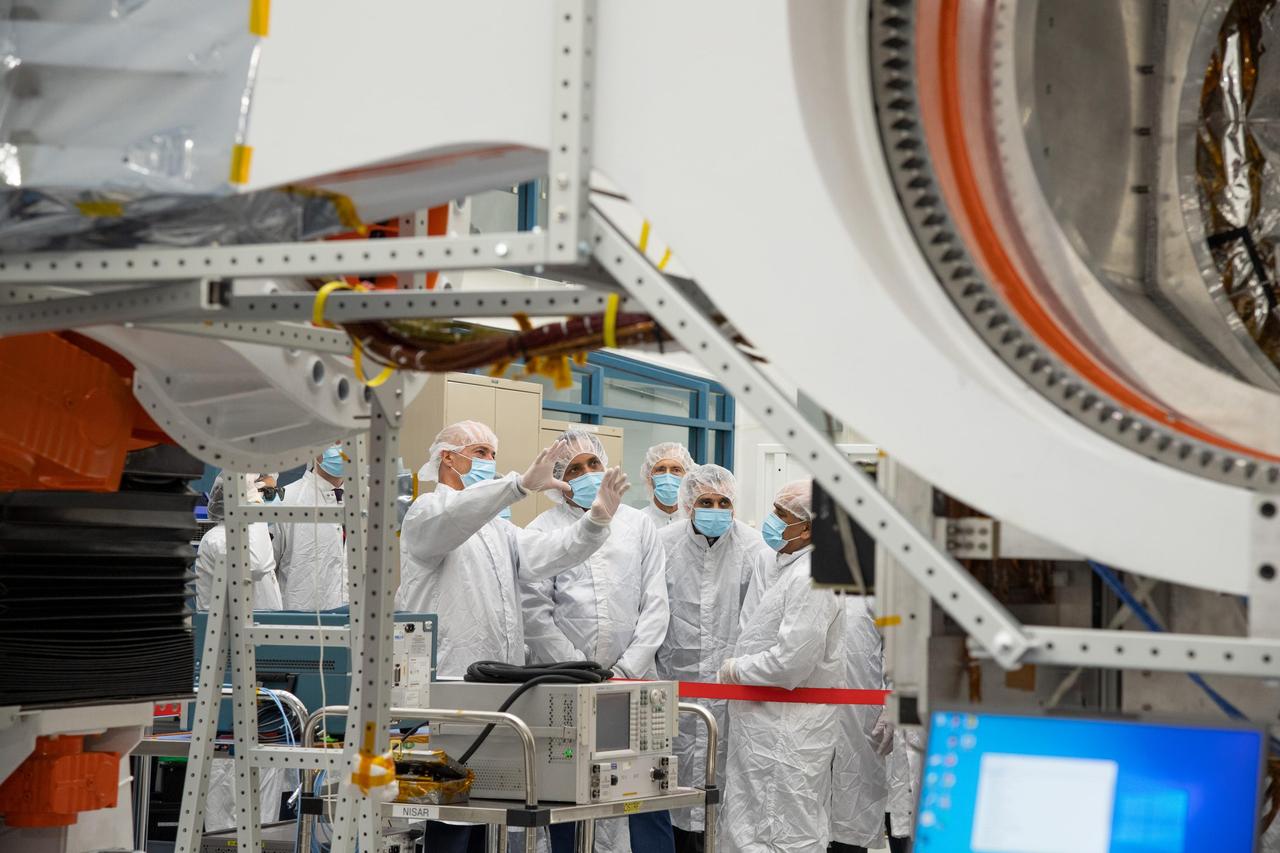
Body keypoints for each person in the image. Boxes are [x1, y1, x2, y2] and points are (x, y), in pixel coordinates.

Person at [396, 420, 630, 853]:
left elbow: (545, 556)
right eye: (481, 452)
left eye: (492, 455)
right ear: (448, 457)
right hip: (445, 693)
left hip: (496, 695)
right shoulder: (426, 513)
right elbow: (453, 519)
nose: (489, 462)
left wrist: (595, 521)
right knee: (451, 816)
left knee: (491, 814)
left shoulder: (499, 530)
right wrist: (517, 487)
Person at [523, 429, 673, 853]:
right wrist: (580, 671)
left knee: (646, 786)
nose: (588, 473)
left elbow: (655, 602)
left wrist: (627, 669)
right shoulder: (541, 530)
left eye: (592, 463)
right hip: (567, 686)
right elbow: (535, 614)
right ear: (557, 480)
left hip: (635, 682)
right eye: (574, 469)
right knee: (570, 792)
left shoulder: (637, 523)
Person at [716, 480, 844, 853]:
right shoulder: (786, 565)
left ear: (806, 527)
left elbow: (792, 663)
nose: (771, 521)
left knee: (782, 830)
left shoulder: (813, 577)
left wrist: (736, 670)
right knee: (753, 825)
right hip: (765, 723)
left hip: (788, 731)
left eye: (781, 515)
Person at [656, 464, 773, 853]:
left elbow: (762, 621)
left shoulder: (754, 548)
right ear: (689, 505)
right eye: (706, 501)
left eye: (724, 502)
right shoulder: (663, 543)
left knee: (723, 785)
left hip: (730, 690)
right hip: (673, 684)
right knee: (670, 780)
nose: (716, 509)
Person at [194, 473, 285, 832]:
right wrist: (254, 507)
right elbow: (258, 564)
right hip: (228, 673)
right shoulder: (219, 540)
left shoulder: (249, 534)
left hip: (262, 673)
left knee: (264, 792)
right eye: (258, 487)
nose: (266, 494)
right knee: (228, 788)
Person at [828, 593, 895, 853]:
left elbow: (898, 642)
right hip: (805, 719)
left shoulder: (878, 587)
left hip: (858, 721)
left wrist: (895, 700)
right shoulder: (797, 573)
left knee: (850, 823)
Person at [274, 444, 346, 611]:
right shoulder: (287, 500)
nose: (340, 449)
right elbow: (265, 576)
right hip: (302, 626)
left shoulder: (367, 500)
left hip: (358, 626)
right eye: (333, 442)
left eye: (345, 439)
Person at [640, 442, 694, 528]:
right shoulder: (638, 521)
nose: (668, 477)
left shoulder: (694, 523)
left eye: (676, 470)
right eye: (660, 469)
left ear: (687, 476)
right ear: (649, 477)